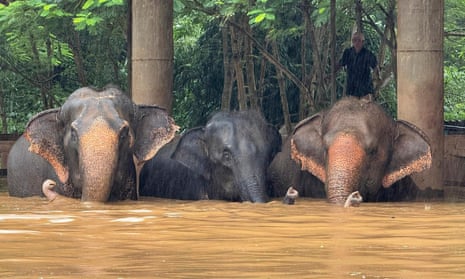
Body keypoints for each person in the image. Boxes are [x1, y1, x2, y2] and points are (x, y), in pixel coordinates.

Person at [337, 31, 378, 98]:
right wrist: (330, 74)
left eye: (359, 40)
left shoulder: (368, 54)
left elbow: (376, 67)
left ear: (363, 42)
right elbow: (341, 64)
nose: (357, 42)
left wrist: (376, 78)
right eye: (354, 40)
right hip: (352, 89)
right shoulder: (348, 53)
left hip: (365, 90)